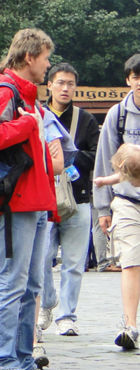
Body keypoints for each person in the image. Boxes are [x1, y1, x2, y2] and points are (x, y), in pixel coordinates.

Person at [0, 29, 59, 370]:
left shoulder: (23, 94)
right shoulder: (4, 90)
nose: (48, 65)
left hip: (33, 202)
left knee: (31, 284)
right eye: (45, 57)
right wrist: (28, 122)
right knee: (13, 281)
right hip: (15, 203)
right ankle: (2, 361)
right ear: (29, 57)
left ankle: (23, 359)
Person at [38, 63, 100, 338]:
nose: (65, 88)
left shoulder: (85, 119)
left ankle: (67, 316)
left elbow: (97, 154)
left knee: (74, 263)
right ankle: (48, 302)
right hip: (43, 198)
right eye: (60, 82)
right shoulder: (36, 115)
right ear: (49, 85)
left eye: (70, 84)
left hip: (79, 198)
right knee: (41, 259)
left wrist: (71, 159)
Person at [93, 53, 140, 350]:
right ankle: (130, 325)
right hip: (126, 199)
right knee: (131, 262)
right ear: (128, 80)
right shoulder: (117, 114)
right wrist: (102, 207)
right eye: (136, 77)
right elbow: (104, 161)